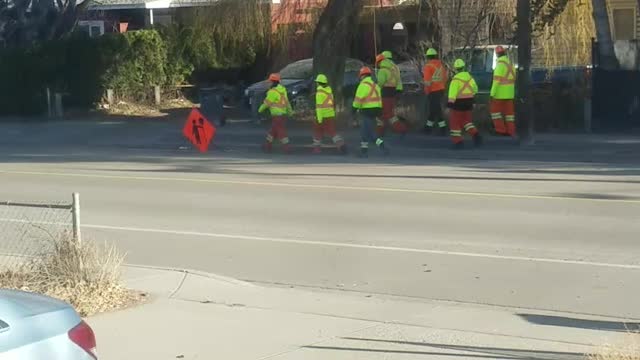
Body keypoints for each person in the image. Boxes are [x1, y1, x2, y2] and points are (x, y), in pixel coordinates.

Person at [353, 66, 388, 158]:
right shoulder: (375, 85)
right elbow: (379, 99)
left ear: (362, 76)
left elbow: (358, 100)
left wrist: (353, 110)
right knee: (365, 132)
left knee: (371, 133)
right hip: (376, 110)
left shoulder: (363, 85)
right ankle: (364, 151)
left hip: (367, 110)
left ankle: (382, 145)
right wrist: (379, 111)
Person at [447, 59, 482, 150]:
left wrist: (450, 103)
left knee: (455, 123)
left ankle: (458, 142)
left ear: (455, 69)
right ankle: (476, 135)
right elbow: (475, 89)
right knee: (466, 122)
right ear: (463, 67)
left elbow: (452, 93)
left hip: (458, 103)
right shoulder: (470, 78)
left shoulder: (455, 79)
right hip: (469, 102)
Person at [258, 73, 293, 153]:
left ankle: (287, 147)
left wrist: (260, 110)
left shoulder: (272, 92)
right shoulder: (283, 90)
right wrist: (290, 112)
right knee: (273, 131)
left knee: (280, 132)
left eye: (270, 81)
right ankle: (268, 145)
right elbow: (287, 102)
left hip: (276, 115)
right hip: (282, 114)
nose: (268, 83)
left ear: (272, 82)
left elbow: (267, 103)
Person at [313, 74, 346, 154]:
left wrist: (319, 119)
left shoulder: (319, 93)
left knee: (318, 132)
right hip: (330, 115)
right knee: (332, 132)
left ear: (318, 83)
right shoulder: (329, 92)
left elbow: (319, 107)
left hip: (322, 116)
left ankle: (317, 149)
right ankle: (341, 145)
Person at [376, 52, 407, 136]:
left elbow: (380, 82)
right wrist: (399, 91)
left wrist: (375, 90)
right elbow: (399, 81)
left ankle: (400, 128)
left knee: (387, 114)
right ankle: (379, 131)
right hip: (393, 92)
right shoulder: (395, 68)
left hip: (385, 93)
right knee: (384, 113)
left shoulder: (383, 69)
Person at [490, 46, 517, 138]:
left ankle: (500, 130)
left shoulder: (500, 65)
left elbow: (496, 81)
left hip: (499, 94)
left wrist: (492, 94)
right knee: (510, 115)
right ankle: (511, 131)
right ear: (504, 53)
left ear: (497, 54)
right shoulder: (510, 64)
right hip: (510, 94)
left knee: (495, 113)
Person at [422, 48, 447, 135]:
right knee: (434, 110)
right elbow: (444, 78)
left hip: (433, 91)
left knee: (436, 110)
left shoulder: (428, 66)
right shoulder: (440, 65)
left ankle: (442, 128)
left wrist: (427, 92)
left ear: (428, 57)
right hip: (441, 90)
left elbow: (427, 82)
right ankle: (428, 128)